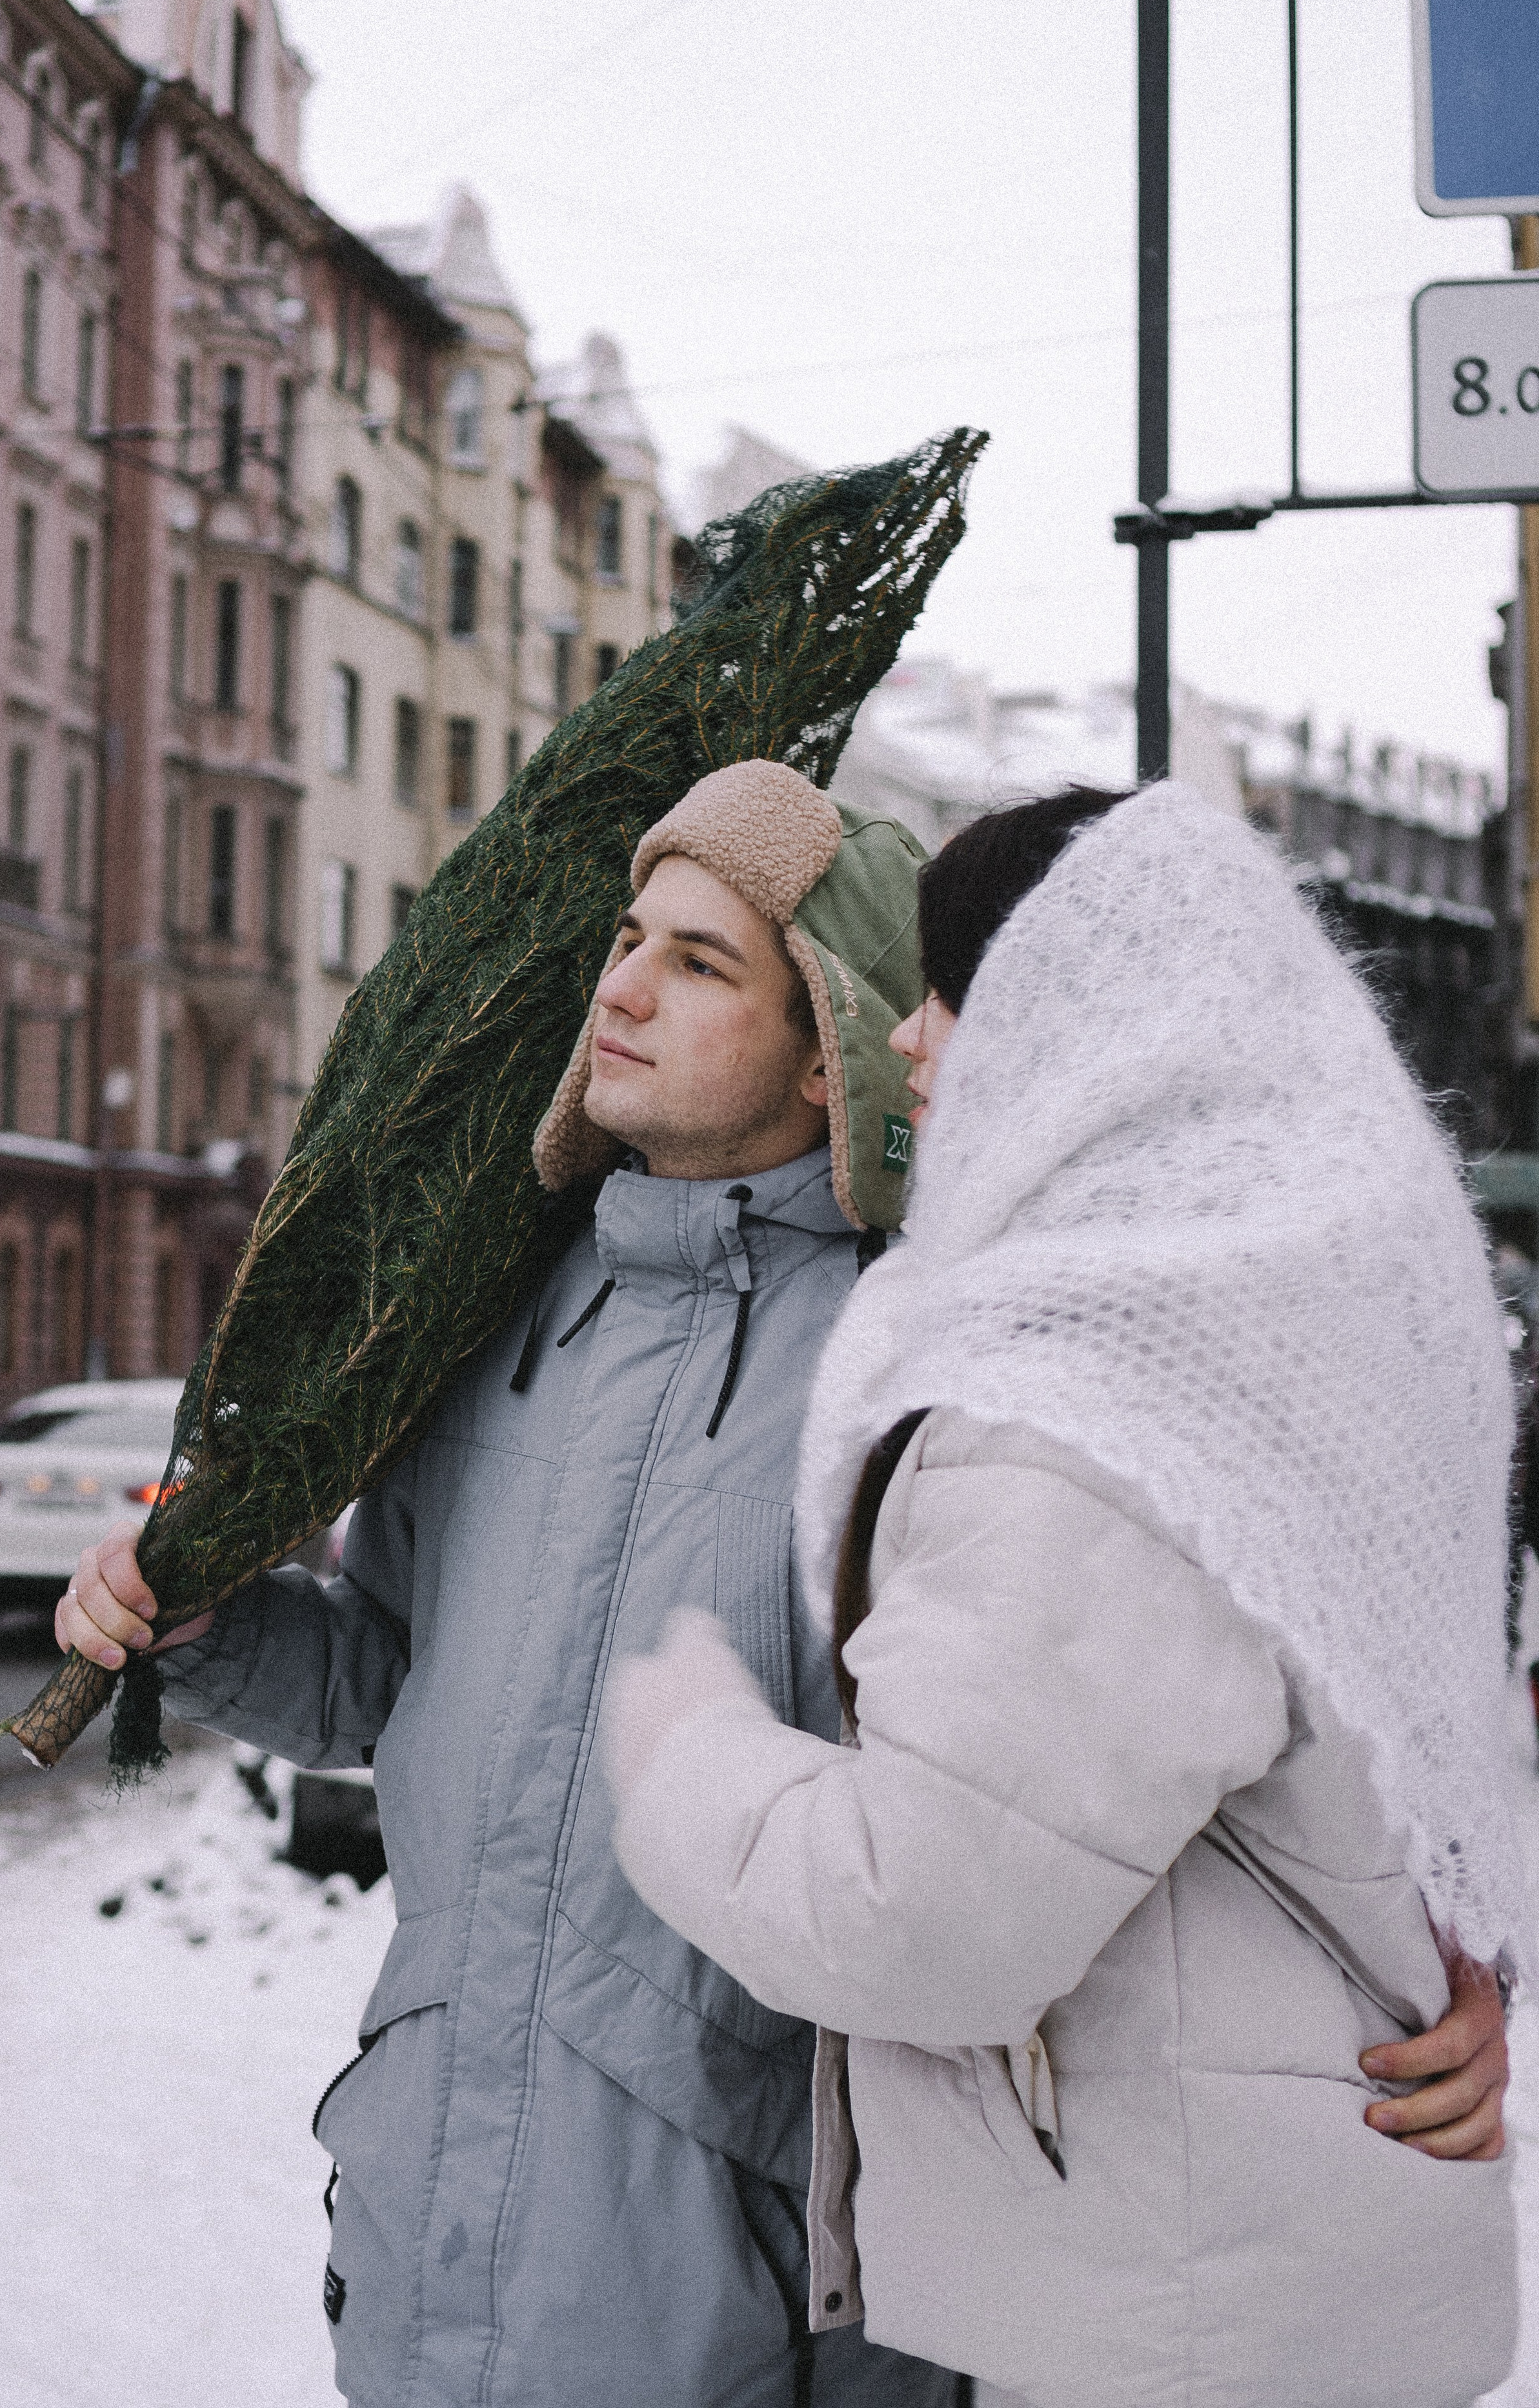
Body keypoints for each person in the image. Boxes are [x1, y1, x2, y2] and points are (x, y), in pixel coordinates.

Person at [601, 782, 1520, 2408]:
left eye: (955, 992)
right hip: (1290, 2270)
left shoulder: (1094, 1414)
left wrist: (679, 1746)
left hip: (1184, 2319)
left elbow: (921, 1923)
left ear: (1082, 1032)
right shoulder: (1317, 1316)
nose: (909, 1039)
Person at [57, 760, 963, 2408]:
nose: (619, 988)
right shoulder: (496, 1325)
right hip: (425, 2237)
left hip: (739, 2295)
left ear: (828, 1044)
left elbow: (1019, 1837)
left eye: (699, 961)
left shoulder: (913, 1376)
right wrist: (201, 1627)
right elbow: (383, 1677)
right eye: (628, 938)